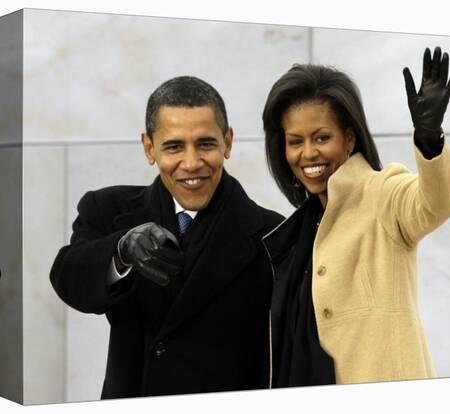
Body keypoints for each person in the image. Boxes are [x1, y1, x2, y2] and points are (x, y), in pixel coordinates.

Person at [50, 76, 283, 399]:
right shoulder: (107, 210)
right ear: (149, 148)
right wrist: (121, 251)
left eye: (205, 144)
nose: (191, 163)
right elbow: (69, 280)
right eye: (174, 146)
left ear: (227, 142)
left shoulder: (275, 234)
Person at [261, 46, 450, 386]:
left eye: (322, 137)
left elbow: (433, 204)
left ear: (349, 138)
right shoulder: (299, 229)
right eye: (296, 141)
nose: (308, 153)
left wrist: (429, 138)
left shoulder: (382, 193)